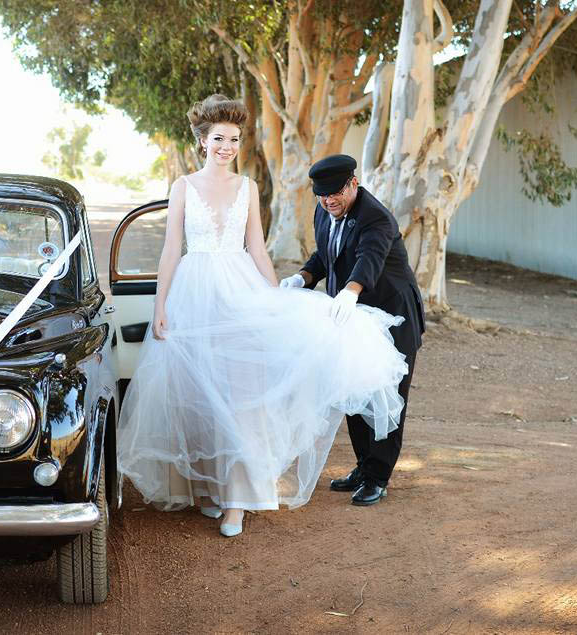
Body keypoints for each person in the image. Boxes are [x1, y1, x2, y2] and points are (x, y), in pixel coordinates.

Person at [117, 95, 409, 537]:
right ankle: (210, 490)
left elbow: (256, 247)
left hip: (239, 289)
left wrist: (277, 297)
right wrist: (160, 305)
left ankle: (239, 499)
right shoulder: (183, 186)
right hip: (193, 295)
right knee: (199, 394)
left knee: (241, 395)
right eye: (218, 138)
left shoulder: (248, 188)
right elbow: (171, 249)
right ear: (202, 141)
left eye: (234, 139)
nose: (226, 147)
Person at [279, 154, 425, 506]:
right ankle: (363, 467)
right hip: (353, 318)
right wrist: (303, 277)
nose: (329, 200)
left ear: (353, 185)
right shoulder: (323, 210)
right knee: (354, 392)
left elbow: (368, 260)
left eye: (336, 193)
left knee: (386, 397)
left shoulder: (376, 219)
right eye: (322, 194)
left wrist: (350, 291)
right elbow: (327, 254)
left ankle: (378, 477)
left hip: (392, 316)